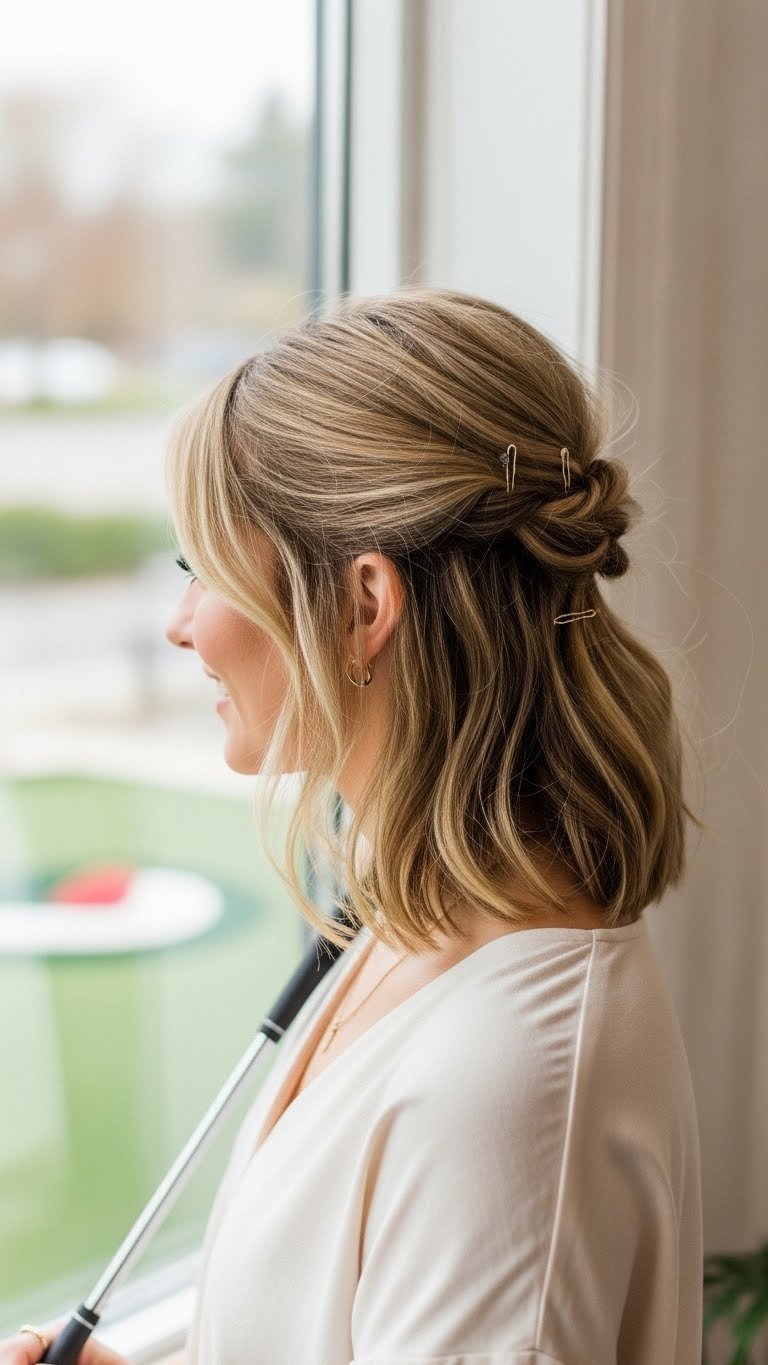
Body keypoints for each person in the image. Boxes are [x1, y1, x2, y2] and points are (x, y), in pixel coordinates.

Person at [5, 286, 703, 1364]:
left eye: (204, 567)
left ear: (361, 607)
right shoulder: (424, 917)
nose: (180, 624)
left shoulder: (504, 1084)